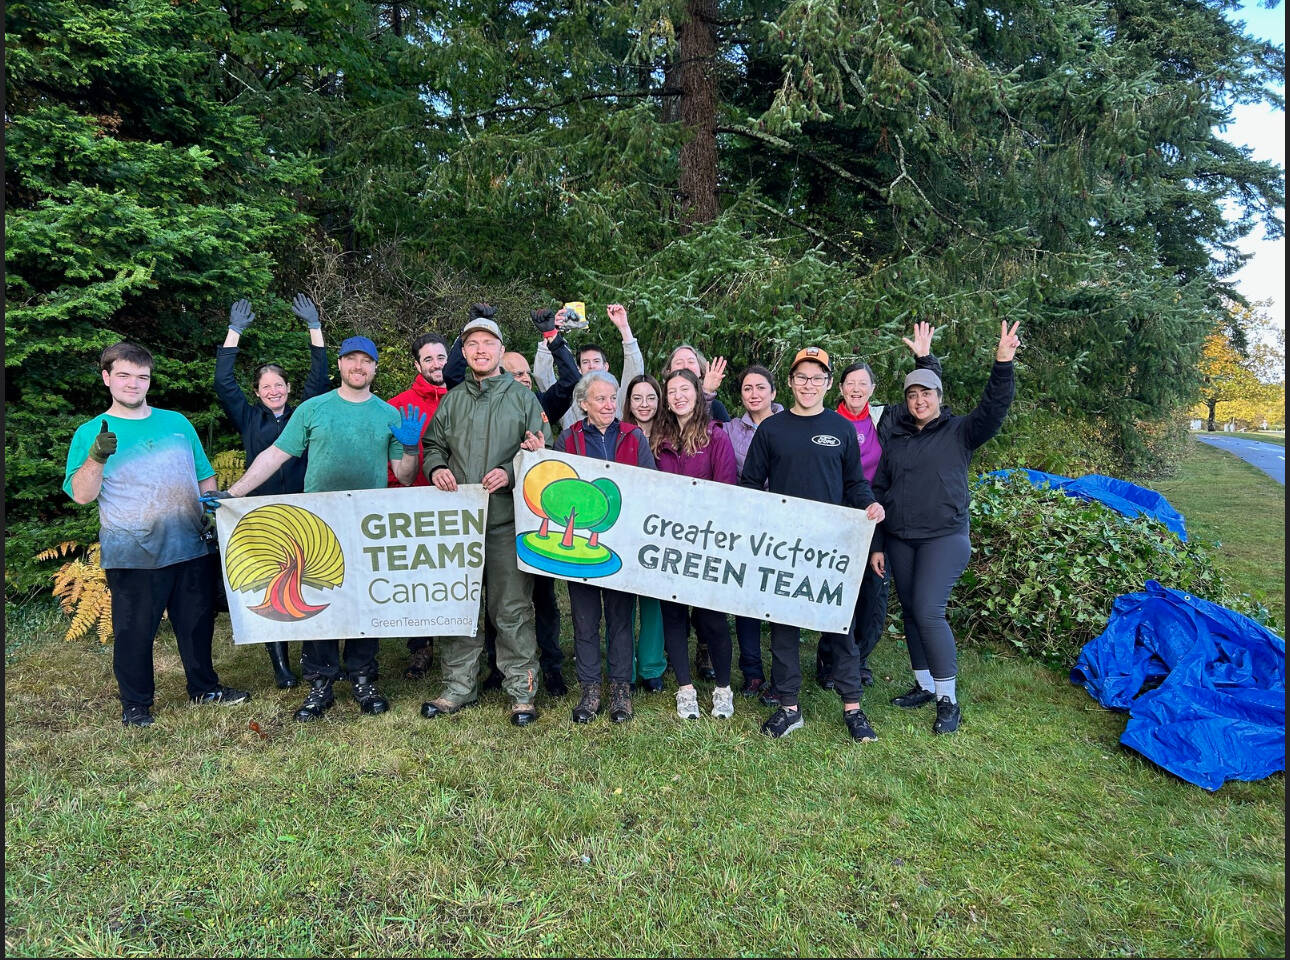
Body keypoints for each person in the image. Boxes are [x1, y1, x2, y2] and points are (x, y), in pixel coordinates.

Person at [212, 336, 423, 721]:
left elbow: (405, 476)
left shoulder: (389, 414)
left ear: (374, 368)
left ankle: (363, 677)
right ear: (339, 365)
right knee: (317, 596)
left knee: (364, 601)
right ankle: (320, 682)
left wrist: (410, 449)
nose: (358, 367)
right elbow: (275, 455)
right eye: (351, 359)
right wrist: (233, 493)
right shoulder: (313, 408)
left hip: (365, 523)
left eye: (366, 361)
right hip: (318, 524)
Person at [65, 342, 250, 727]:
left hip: (190, 545)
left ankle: (205, 688)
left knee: (197, 627)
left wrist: (210, 510)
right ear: (106, 378)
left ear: (150, 380)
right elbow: (82, 495)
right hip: (133, 553)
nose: (133, 384)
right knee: (134, 633)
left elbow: (204, 474)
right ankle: (136, 705)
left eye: (142, 377)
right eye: (124, 375)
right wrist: (96, 457)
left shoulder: (177, 423)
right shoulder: (90, 433)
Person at [870, 321, 1019, 735]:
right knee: (911, 612)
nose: (919, 400)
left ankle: (947, 699)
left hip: (944, 537)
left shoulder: (961, 431)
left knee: (928, 610)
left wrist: (1002, 363)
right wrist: (878, 543)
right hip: (900, 538)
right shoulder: (896, 437)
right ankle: (923, 685)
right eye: (912, 395)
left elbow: (994, 408)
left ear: (939, 397)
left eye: (927, 393)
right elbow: (879, 490)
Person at [739, 346, 886, 742]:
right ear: (790, 382)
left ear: (828, 383)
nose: (809, 384)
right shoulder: (772, 429)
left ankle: (853, 707)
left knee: (839, 625)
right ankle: (789, 707)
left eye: (817, 377)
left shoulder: (840, 428)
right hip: (784, 546)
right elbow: (750, 485)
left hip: (830, 546)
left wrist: (870, 505)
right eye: (802, 377)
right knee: (784, 626)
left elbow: (855, 483)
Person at [421, 305, 552, 727]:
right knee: (459, 607)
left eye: (488, 343)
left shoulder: (523, 398)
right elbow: (433, 446)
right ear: (464, 352)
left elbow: (542, 451)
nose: (480, 350)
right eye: (472, 344)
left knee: (511, 609)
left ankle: (522, 692)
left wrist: (512, 471)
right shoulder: (453, 400)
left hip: (506, 522)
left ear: (500, 350)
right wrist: (436, 468)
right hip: (460, 525)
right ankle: (458, 687)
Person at [817, 322, 942, 690]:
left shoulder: (888, 418)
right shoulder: (825, 420)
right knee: (836, 591)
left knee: (873, 593)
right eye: (850, 383)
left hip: (877, 518)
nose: (856, 389)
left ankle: (859, 660)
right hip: (837, 518)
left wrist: (925, 359)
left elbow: (929, 401)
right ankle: (830, 661)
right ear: (839, 388)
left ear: (872, 389)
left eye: (863, 383)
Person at [214, 294, 330, 689]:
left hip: (303, 508)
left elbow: (320, 377)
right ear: (258, 392)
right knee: (270, 583)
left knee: (308, 580)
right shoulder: (248, 417)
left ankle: (312, 655)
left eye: (279, 384)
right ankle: (280, 665)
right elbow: (223, 383)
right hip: (261, 513)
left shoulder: (304, 412)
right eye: (266, 387)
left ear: (288, 387)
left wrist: (314, 327)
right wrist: (234, 331)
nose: (274, 391)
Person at [473, 309, 582, 696]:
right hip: (499, 515)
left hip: (538, 519)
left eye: (524, 373)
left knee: (543, 597)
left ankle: (551, 665)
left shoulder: (539, 404)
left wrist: (553, 336)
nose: (520, 378)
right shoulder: (483, 406)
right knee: (498, 597)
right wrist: (471, 325)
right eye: (512, 372)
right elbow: (455, 373)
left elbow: (571, 380)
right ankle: (496, 666)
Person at [555, 371, 657, 723]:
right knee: (584, 618)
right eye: (600, 399)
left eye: (613, 398)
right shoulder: (568, 438)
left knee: (620, 617)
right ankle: (589, 689)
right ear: (583, 404)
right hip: (580, 545)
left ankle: (619, 689)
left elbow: (649, 484)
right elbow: (560, 486)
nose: (609, 404)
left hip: (623, 542)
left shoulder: (633, 436)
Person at [651, 368, 739, 720]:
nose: (678, 396)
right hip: (668, 543)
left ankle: (723, 689)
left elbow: (726, 489)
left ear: (697, 393)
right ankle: (685, 689)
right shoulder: (658, 439)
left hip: (706, 541)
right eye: (672, 391)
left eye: (684, 389)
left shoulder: (716, 437)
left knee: (712, 618)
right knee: (673, 616)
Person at [387, 331, 449, 680]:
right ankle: (420, 647)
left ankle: (462, 642)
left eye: (441, 357)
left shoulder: (462, 396)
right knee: (418, 579)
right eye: (428, 359)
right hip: (416, 503)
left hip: (458, 502)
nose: (436, 364)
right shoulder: (398, 405)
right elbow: (391, 464)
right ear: (417, 364)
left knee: (456, 576)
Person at [726, 364, 784, 698]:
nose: (754, 394)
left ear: (773, 392)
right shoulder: (732, 429)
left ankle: (781, 675)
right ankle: (752, 673)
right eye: (747, 388)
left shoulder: (790, 424)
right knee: (746, 597)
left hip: (782, 522)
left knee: (778, 599)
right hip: (746, 522)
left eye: (760, 387)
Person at [620, 374, 667, 693]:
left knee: (653, 598)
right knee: (622, 599)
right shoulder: (618, 434)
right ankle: (624, 665)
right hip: (625, 523)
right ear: (628, 402)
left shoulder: (671, 435)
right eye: (637, 398)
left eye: (651, 397)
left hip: (660, 525)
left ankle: (651, 666)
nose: (644, 404)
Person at [535, 303, 644, 430]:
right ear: (579, 369)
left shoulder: (617, 398)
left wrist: (624, 327)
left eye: (596, 361)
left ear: (606, 367)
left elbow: (634, 373)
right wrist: (551, 332)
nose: (591, 366)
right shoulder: (568, 398)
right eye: (585, 362)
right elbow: (543, 377)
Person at [665, 344, 732, 423]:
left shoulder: (716, 407)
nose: (686, 366)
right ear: (669, 371)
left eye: (691, 362)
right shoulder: (660, 406)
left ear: (700, 370)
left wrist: (707, 393)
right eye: (679, 363)